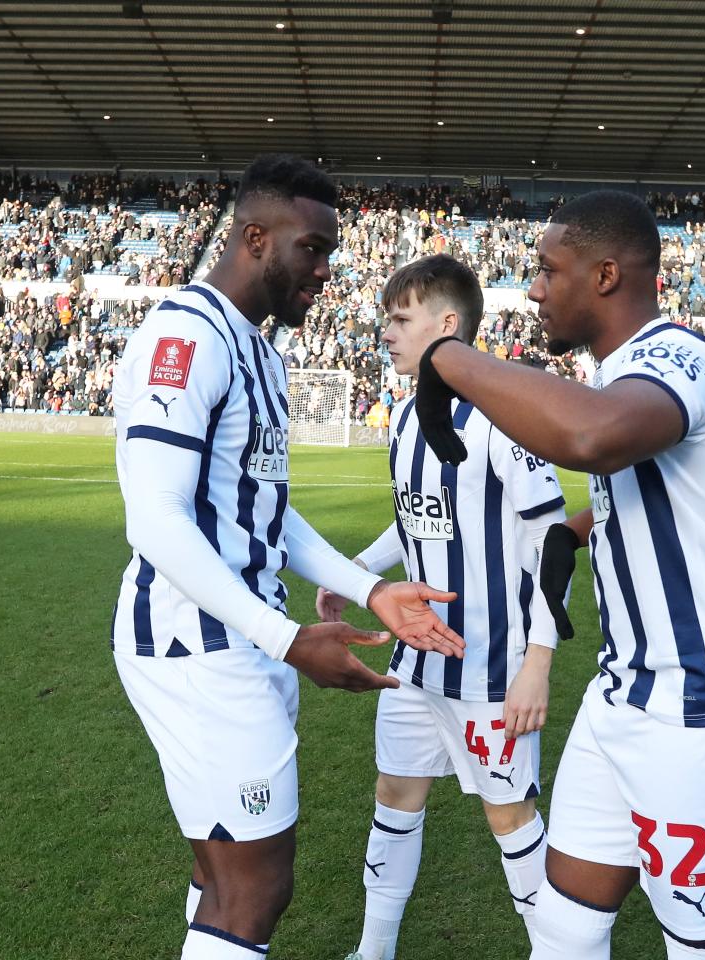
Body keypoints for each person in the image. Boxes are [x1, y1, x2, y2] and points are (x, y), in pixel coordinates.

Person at [411, 191, 705, 960]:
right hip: (624, 693)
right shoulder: (625, 371)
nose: (533, 288)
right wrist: (576, 531)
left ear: (605, 275)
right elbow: (666, 490)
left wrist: (447, 357)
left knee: (704, 951)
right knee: (563, 931)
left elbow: (592, 436)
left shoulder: (677, 354)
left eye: (547, 270)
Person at [109, 155, 465, 960]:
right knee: (257, 885)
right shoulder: (186, 335)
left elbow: (266, 512)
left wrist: (371, 589)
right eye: (312, 249)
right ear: (255, 238)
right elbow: (157, 522)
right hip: (198, 644)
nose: (326, 271)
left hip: (236, 637)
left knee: (222, 868)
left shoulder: (259, 351)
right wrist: (287, 639)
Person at [315, 255, 567, 960]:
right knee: (394, 796)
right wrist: (360, 572)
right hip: (415, 663)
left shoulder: (504, 418)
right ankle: (373, 951)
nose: (385, 334)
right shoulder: (401, 418)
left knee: (510, 817)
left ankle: (557, 951)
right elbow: (422, 518)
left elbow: (553, 543)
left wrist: (538, 663)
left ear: (448, 325)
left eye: (400, 320)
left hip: (493, 672)